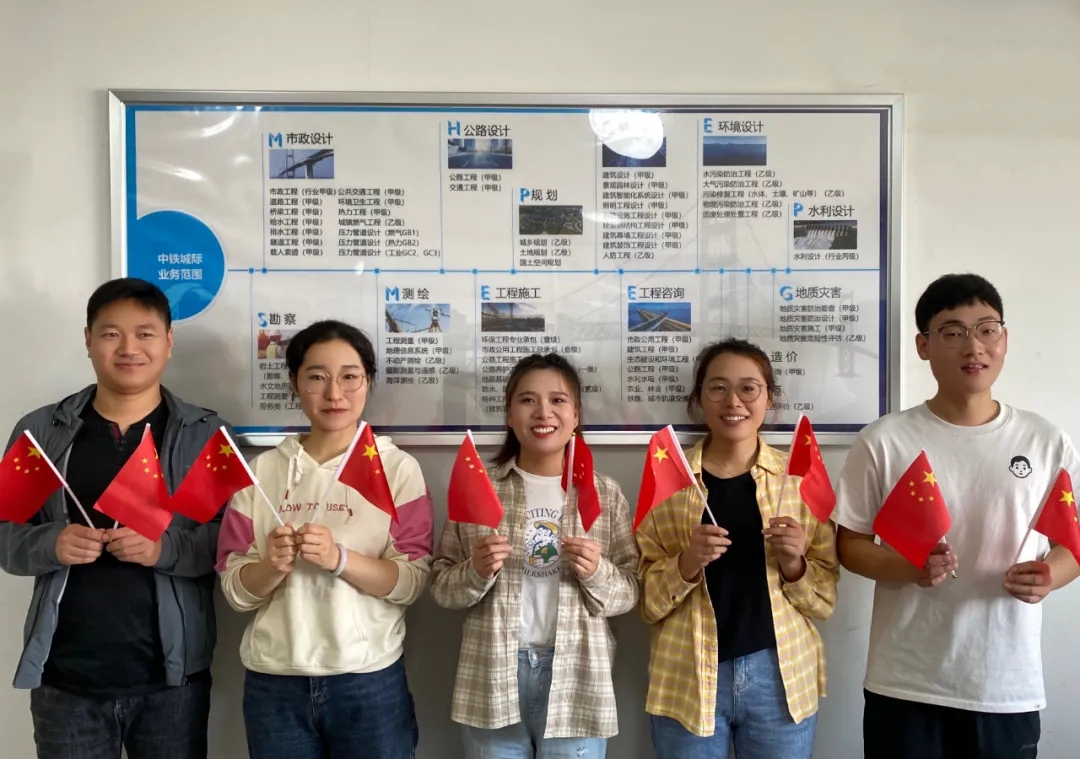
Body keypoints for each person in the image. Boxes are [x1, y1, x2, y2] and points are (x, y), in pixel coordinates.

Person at [833, 273, 1080, 759]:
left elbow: (1071, 544)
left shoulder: (1046, 441)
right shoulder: (885, 440)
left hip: (1005, 684)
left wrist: (1050, 575)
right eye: (953, 332)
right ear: (924, 345)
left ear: (1004, 339)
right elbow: (850, 545)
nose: (973, 346)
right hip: (904, 682)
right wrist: (909, 567)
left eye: (987, 329)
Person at [0, 278, 229, 759]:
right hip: (65, 680)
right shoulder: (43, 431)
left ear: (168, 341)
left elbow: (228, 545)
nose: (129, 348)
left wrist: (163, 549)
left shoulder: (205, 434)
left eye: (145, 334)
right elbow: (5, 537)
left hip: (173, 683)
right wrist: (51, 543)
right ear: (88, 340)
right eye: (110, 334)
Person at [216, 319, 433, 759]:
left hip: (367, 678)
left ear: (368, 382)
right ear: (294, 383)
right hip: (274, 682)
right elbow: (235, 592)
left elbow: (411, 582)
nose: (334, 393)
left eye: (350, 377)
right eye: (316, 377)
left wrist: (339, 558)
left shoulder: (396, 469)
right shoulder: (259, 473)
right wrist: (270, 567)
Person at [430, 352, 641, 759]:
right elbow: (441, 586)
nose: (543, 412)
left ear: (576, 415)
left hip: (577, 676)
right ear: (510, 415)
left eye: (558, 400)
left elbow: (631, 592)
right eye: (527, 400)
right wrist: (475, 572)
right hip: (492, 674)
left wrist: (597, 572)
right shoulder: (480, 488)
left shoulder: (604, 493)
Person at [636, 338, 839, 759]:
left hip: (779, 675)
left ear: (769, 398)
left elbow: (824, 601)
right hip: (687, 674)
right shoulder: (671, 481)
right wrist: (687, 564)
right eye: (718, 388)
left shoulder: (797, 480)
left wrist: (796, 564)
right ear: (699, 399)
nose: (734, 402)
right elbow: (648, 603)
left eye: (749, 388)